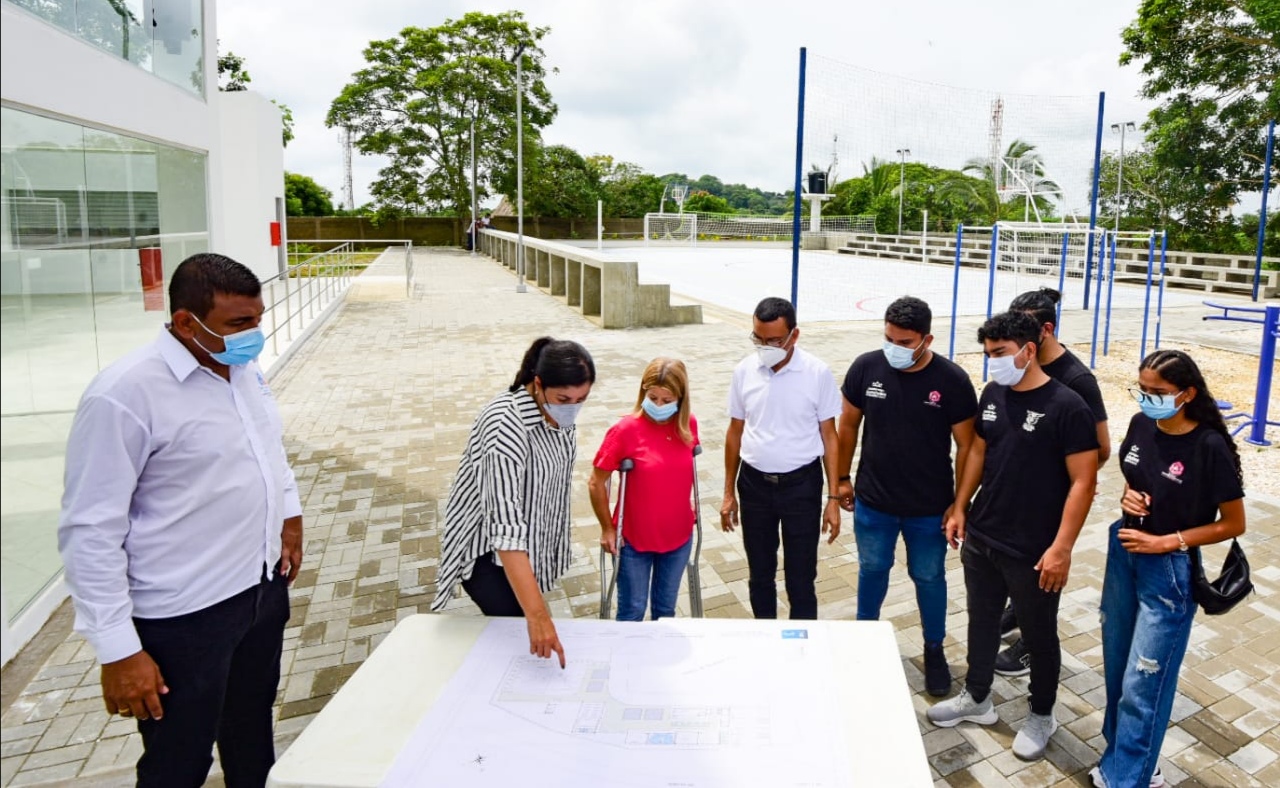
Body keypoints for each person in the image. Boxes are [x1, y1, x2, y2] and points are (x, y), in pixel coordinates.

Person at [57, 253, 303, 787]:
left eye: (257, 318)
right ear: (187, 322)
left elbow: (268, 449)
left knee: (251, 735)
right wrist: (119, 650)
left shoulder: (240, 369)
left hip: (258, 593)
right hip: (183, 618)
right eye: (239, 324)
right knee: (179, 762)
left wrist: (289, 516)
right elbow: (89, 530)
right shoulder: (123, 395)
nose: (255, 334)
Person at [927, 311, 1098, 762]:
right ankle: (977, 697)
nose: (993, 363)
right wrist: (961, 506)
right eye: (988, 354)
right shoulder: (993, 393)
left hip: (1034, 548)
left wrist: (1061, 548)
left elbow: (1084, 481)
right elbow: (980, 448)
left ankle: (1041, 713)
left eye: (1000, 353)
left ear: (1027, 349)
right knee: (981, 623)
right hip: (984, 535)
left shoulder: (1067, 406)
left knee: (1039, 636)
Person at [1089, 350, 1246, 788]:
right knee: (1119, 666)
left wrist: (1166, 541)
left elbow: (1233, 524)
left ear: (1187, 393)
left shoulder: (1208, 445)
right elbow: (1135, 473)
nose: (1147, 399)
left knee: (1145, 681)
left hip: (1169, 569)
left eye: (1158, 392)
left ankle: (1129, 778)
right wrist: (1129, 498)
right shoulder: (1142, 425)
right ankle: (1128, 759)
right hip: (1124, 551)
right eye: (1142, 390)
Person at [835, 296, 977, 697]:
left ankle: (934, 648)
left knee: (929, 577)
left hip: (928, 508)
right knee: (872, 570)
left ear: (926, 339)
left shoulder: (951, 380)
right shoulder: (866, 367)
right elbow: (848, 426)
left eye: (904, 341)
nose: (893, 347)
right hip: (873, 503)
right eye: (888, 338)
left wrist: (959, 503)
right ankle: (864, 643)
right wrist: (841, 479)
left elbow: (969, 446)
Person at [432, 337, 596, 668]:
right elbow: (504, 531)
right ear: (538, 384)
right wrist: (538, 616)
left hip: (526, 547)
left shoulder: (557, 415)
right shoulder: (505, 426)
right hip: (486, 558)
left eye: (581, 400)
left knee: (524, 641)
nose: (571, 408)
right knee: (522, 643)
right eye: (563, 399)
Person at [994, 287, 1113, 677]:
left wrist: (1051, 469)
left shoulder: (1077, 380)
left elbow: (1102, 449)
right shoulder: (1017, 366)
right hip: (1015, 495)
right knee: (1017, 568)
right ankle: (1017, 612)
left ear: (1046, 329)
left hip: (1051, 500)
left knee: (1045, 572)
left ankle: (1033, 646)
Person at [720, 297, 843, 620]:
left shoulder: (816, 372)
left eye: (774, 340)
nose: (765, 347)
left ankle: (803, 646)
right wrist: (728, 492)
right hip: (754, 485)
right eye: (758, 339)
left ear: (794, 335)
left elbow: (830, 435)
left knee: (801, 578)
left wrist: (832, 497)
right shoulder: (744, 371)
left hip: (801, 485)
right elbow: (735, 431)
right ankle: (766, 640)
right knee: (760, 574)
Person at [588, 358, 700, 621]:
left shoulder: (688, 425)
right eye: (653, 397)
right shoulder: (624, 430)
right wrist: (607, 528)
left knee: (665, 611)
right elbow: (596, 481)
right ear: (643, 393)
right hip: (634, 541)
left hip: (678, 536)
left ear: (680, 399)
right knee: (632, 611)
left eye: (667, 400)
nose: (658, 406)